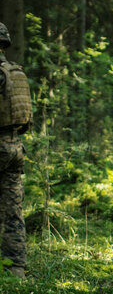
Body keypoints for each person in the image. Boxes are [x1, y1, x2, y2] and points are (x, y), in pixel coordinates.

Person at [0, 22, 33, 278]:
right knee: (13, 210)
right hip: (15, 147)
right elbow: (26, 120)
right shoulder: (17, 73)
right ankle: (17, 268)